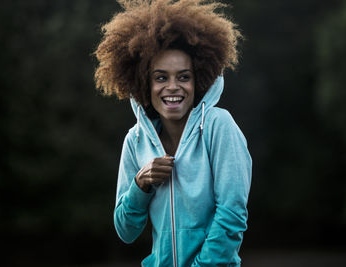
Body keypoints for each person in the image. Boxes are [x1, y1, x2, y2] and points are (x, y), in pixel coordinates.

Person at [94, 0, 252, 266]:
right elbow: (126, 231)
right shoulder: (134, 141)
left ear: (198, 79)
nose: (173, 87)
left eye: (183, 76)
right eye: (160, 77)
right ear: (144, 82)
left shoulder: (218, 125)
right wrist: (140, 184)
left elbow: (232, 213)